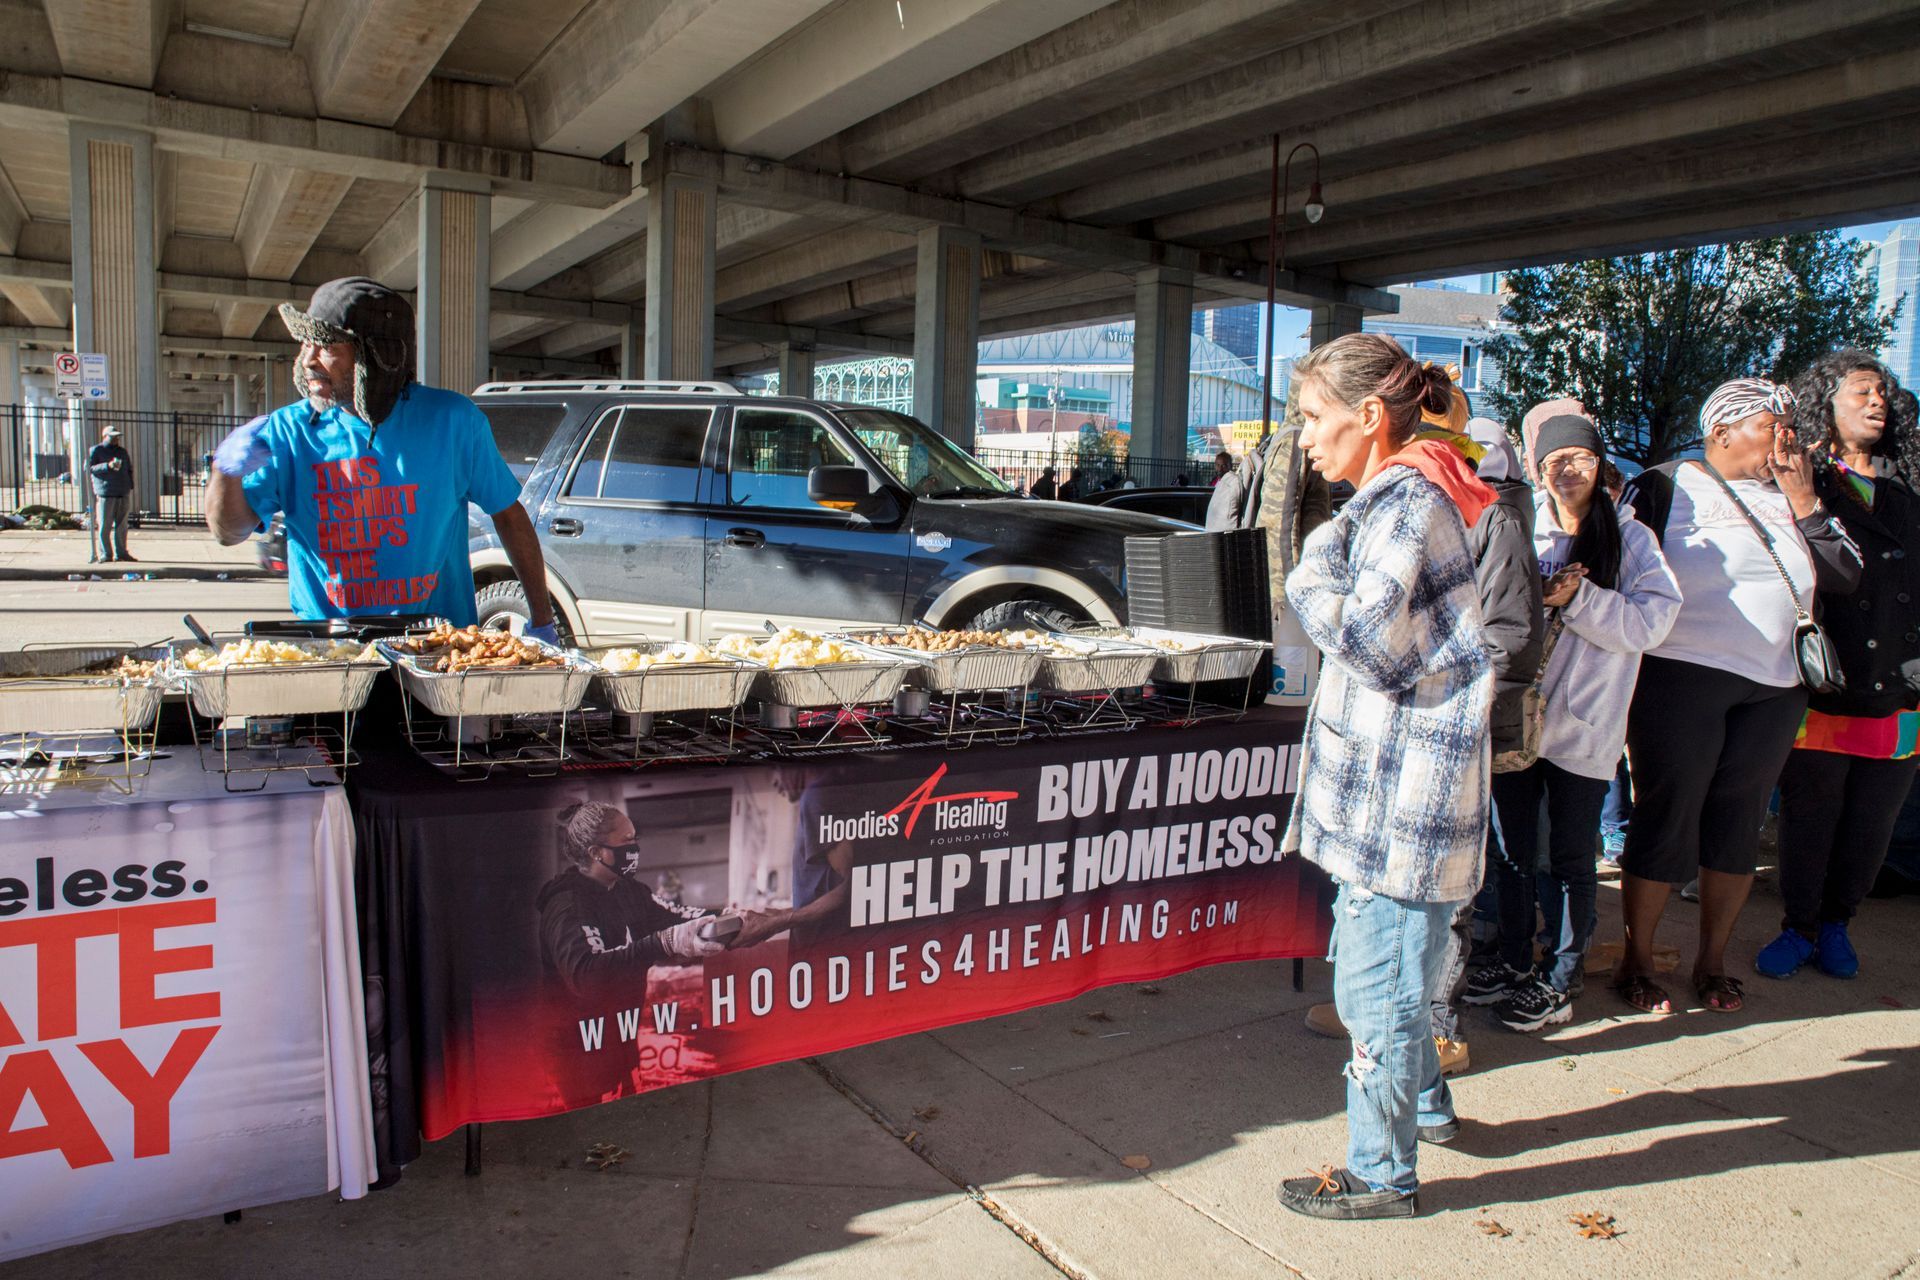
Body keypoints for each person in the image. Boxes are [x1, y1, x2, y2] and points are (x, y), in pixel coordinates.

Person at [1277, 334, 1494, 1220]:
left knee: (1378, 993)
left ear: (1368, 417)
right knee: (1402, 967)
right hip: (1406, 795)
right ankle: (1428, 1113)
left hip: (1399, 804)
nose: (1303, 439)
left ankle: (1380, 1173)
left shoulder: (1402, 504)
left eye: (1313, 418)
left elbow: (1371, 646)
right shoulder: (1413, 492)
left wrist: (1309, 568)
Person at [1614, 378, 1862, 1014]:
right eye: (1770, 423)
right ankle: (1637, 960)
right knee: (1668, 813)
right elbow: (1619, 565)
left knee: (1738, 822)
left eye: (1789, 424)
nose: (1787, 437)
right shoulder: (1667, 483)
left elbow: (1847, 574)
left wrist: (1805, 499)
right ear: (1721, 433)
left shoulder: (1801, 491)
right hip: (1681, 673)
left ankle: (1711, 962)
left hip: (1777, 684)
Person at [1466, 413, 1681, 1031]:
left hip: (1583, 730)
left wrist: (1579, 599)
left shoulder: (1632, 540)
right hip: (1516, 721)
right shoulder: (1519, 528)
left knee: (1567, 859)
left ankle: (1559, 979)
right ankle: (1509, 959)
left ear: (1599, 465)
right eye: (1554, 461)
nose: (1566, 471)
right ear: (1536, 469)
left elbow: (1652, 623)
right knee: (1508, 853)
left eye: (1579, 460)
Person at [203, 277, 560, 636]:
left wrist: (544, 621)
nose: (307, 359)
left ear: (375, 355)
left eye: (325, 346)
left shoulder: (452, 421)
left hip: (436, 646)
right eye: (305, 344)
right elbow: (227, 533)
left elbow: (510, 516)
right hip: (331, 646)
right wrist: (225, 471)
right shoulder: (289, 431)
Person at [1758, 352, 1920, 980]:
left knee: (1871, 824)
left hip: (1902, 689)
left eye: (1883, 392)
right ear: (1825, 402)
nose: (1877, 402)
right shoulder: (1802, 481)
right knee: (1810, 815)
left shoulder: (1907, 487)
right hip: (1827, 683)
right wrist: (1801, 494)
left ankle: (1836, 925)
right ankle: (1798, 927)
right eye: (1860, 392)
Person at [86, 425, 134, 564]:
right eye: (112, 437)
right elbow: (89, 468)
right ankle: (106, 554)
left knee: (122, 526)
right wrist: (107, 466)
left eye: (117, 437)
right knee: (105, 525)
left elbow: (128, 468)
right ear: (105, 436)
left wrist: (129, 485)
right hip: (106, 492)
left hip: (122, 491)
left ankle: (121, 553)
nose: (115, 439)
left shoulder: (122, 452)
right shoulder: (96, 450)